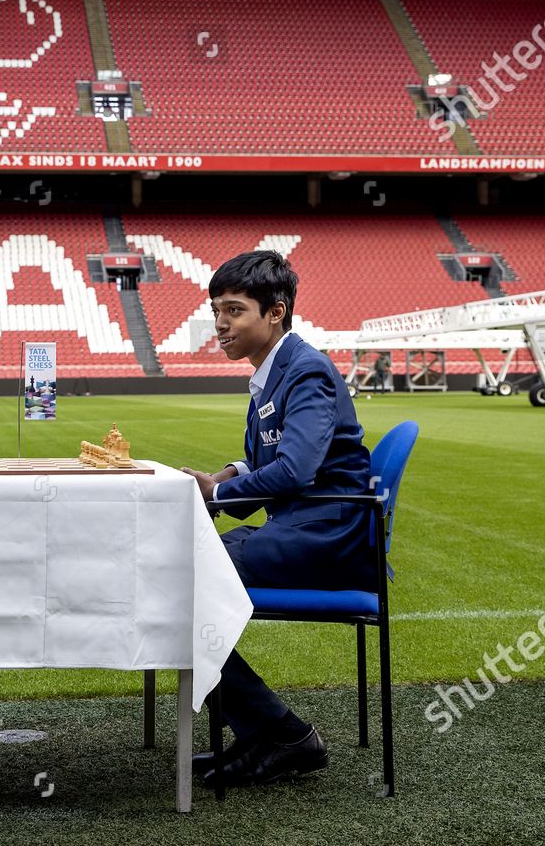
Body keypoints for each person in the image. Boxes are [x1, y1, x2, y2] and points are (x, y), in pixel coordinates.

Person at [180, 250, 374, 787]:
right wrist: (217, 482)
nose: (221, 324)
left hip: (327, 536)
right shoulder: (271, 372)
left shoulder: (306, 369)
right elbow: (265, 461)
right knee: (175, 572)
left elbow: (296, 469)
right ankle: (264, 734)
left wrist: (218, 495)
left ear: (276, 311)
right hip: (300, 528)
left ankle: (282, 735)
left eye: (235, 310)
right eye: (217, 309)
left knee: (175, 581)